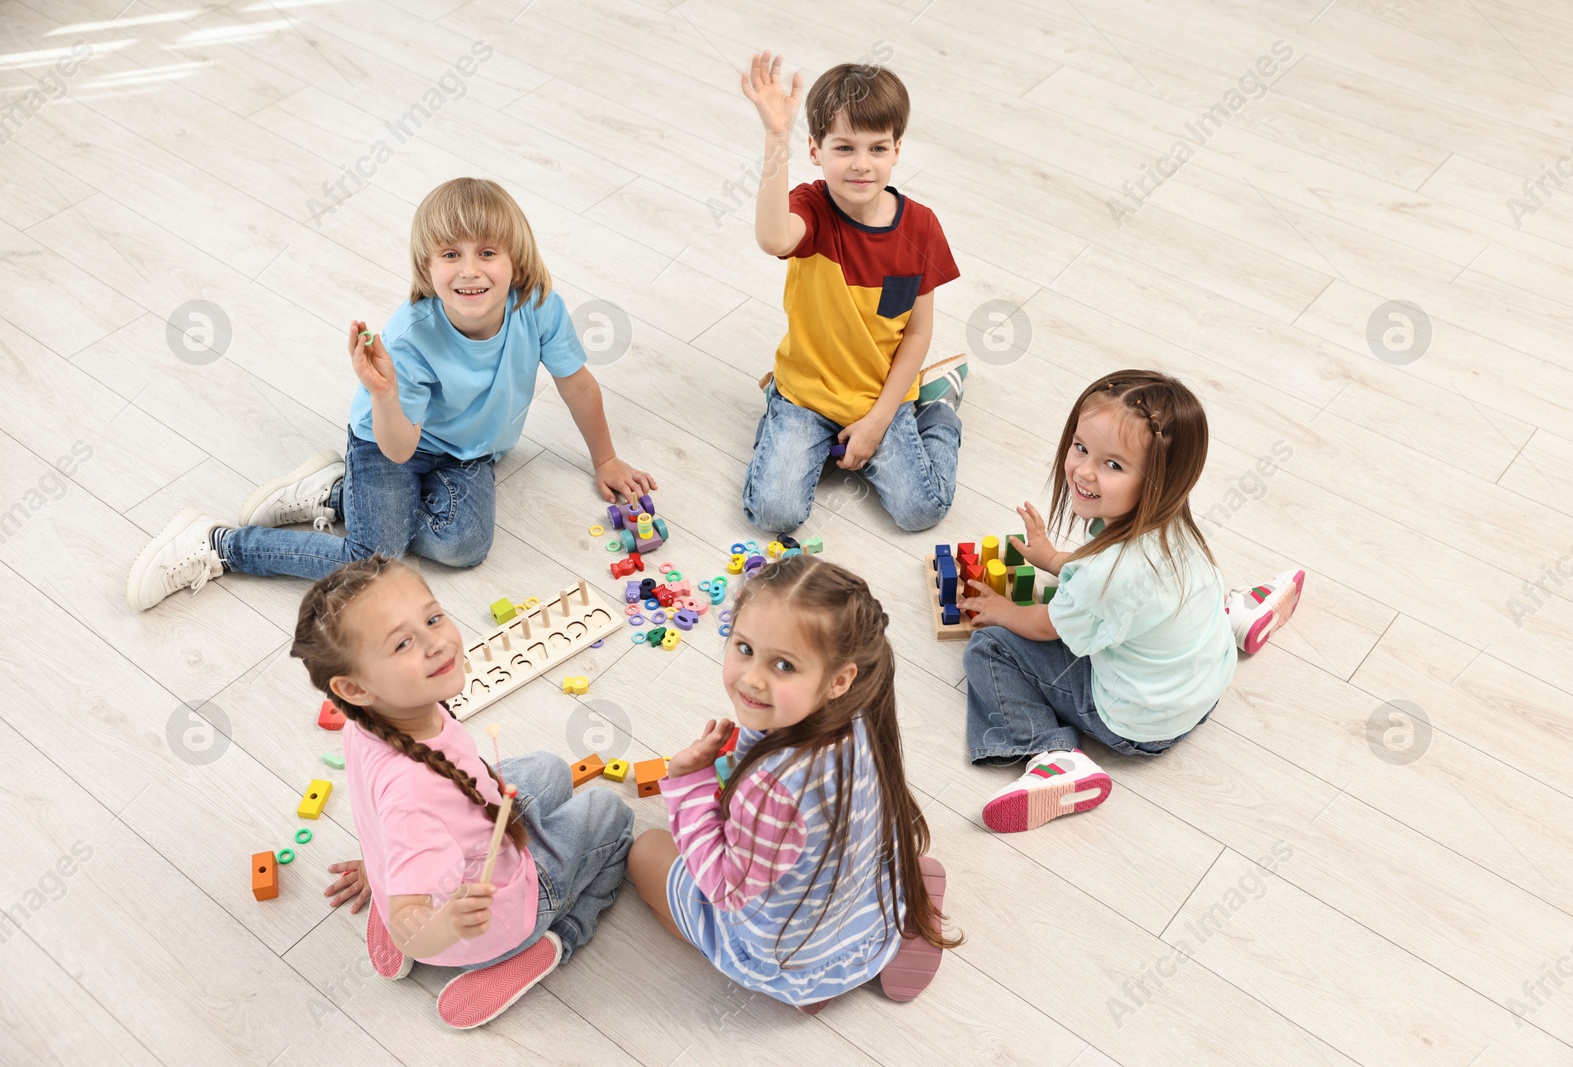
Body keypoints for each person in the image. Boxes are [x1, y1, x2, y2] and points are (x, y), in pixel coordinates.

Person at [127, 177, 653, 610]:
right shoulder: (409, 338)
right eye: (451, 254)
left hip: (469, 450)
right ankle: (220, 545)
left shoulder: (539, 306)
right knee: (373, 563)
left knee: (464, 546)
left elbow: (577, 385)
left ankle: (336, 493)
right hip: (388, 441)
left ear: (515, 261)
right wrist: (382, 393)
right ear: (428, 266)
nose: (470, 270)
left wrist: (604, 459)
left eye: (487, 252)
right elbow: (399, 448)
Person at [297, 555, 633, 1029]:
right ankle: (554, 940)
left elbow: (383, 813)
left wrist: (385, 868)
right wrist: (442, 925)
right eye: (403, 643)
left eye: (433, 618)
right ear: (354, 686)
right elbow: (410, 836)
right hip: (497, 917)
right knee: (610, 813)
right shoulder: (414, 800)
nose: (437, 643)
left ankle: (399, 891)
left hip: (447, 857)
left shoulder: (364, 723)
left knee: (552, 769)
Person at [962, 371, 1304, 833]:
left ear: (1159, 479)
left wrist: (1002, 612)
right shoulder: (1173, 524)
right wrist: (1053, 559)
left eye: (1113, 465)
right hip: (1203, 688)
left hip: (1138, 725)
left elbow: (1046, 625)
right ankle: (1237, 616)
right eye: (1081, 448)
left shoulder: (1106, 575)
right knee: (1180, 602)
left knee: (989, 648)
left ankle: (1054, 758)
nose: (1084, 471)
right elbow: (1109, 583)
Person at [628, 555, 961, 1011]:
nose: (752, 679)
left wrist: (688, 784)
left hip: (789, 953)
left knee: (644, 851)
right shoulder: (860, 709)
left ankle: (808, 985)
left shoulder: (770, 790)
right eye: (744, 648)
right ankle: (886, 928)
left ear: (839, 679)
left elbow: (726, 890)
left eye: (783, 665)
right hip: (863, 894)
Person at [739, 52, 966, 534]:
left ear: (897, 150)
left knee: (920, 511)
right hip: (808, 394)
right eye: (844, 148)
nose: (862, 165)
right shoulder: (811, 207)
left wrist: (879, 420)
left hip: (880, 395)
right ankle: (781, 414)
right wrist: (775, 137)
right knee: (774, 514)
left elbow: (919, 331)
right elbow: (772, 239)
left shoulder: (921, 226)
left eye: (877, 149)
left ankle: (939, 408)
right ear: (816, 150)